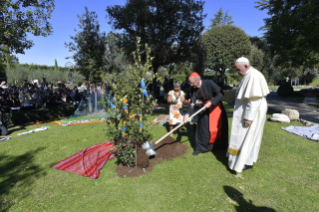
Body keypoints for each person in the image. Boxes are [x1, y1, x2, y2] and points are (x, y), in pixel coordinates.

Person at [227, 57, 269, 172]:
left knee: (247, 137)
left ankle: (244, 162)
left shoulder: (253, 75)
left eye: (238, 69)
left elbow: (254, 100)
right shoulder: (247, 75)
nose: (237, 72)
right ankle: (245, 160)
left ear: (245, 66)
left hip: (252, 112)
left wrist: (248, 118)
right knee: (247, 137)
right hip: (248, 110)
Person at [183, 72, 228, 155]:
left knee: (218, 128)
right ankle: (200, 148)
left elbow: (221, 93)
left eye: (192, 83)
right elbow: (192, 103)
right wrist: (187, 114)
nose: (191, 85)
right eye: (190, 83)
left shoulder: (209, 83)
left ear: (198, 80)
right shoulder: (192, 88)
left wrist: (211, 102)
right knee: (202, 129)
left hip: (216, 107)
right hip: (204, 108)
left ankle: (219, 146)